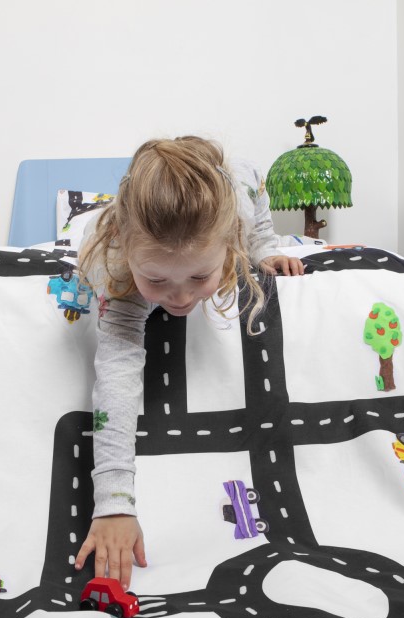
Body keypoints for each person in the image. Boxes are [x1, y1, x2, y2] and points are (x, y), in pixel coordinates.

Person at [74, 136, 305, 589]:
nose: (179, 298)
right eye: (156, 280)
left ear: (228, 242)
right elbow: (116, 377)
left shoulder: (238, 193)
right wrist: (114, 503)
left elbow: (254, 181)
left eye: (200, 275)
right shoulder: (115, 265)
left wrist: (264, 245)